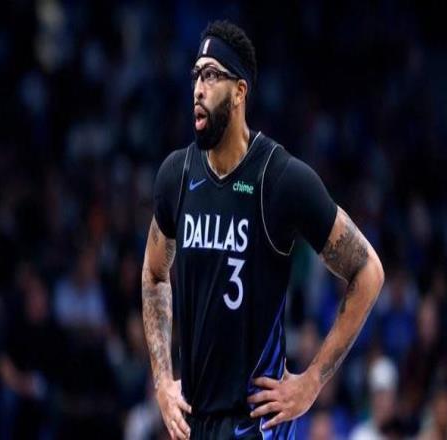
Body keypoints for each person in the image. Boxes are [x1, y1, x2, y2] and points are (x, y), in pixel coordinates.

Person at [142, 20, 385, 440]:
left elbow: (368, 271)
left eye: (211, 75)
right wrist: (163, 381)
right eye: (195, 75)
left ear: (240, 92)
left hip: (256, 424)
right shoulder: (175, 175)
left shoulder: (281, 178)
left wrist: (311, 382)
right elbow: (153, 273)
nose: (198, 88)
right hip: (195, 423)